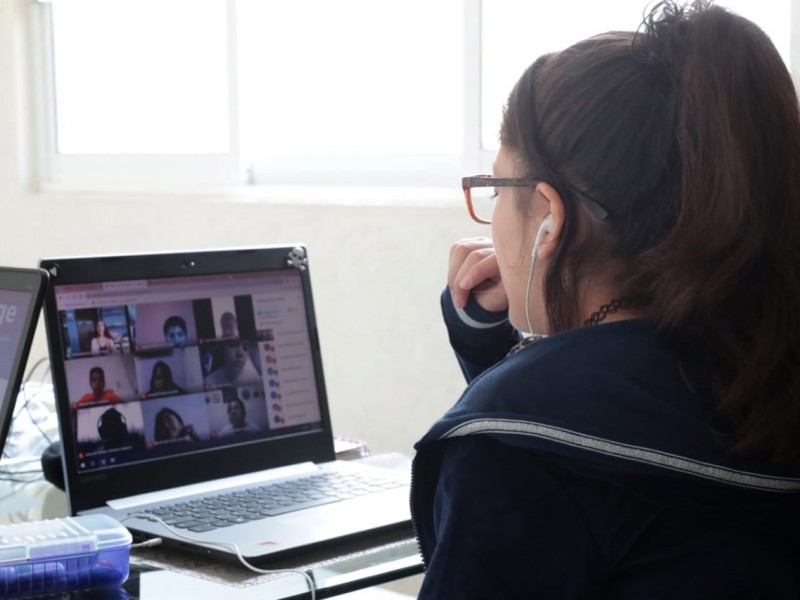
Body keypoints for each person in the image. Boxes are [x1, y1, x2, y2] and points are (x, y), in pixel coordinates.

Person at [411, 2, 800, 598]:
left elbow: (549, 443)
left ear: (548, 214)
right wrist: (493, 346)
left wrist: (504, 401)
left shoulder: (511, 451)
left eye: (495, 189)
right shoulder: (759, 365)